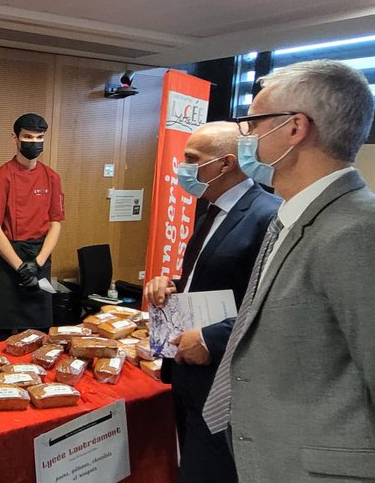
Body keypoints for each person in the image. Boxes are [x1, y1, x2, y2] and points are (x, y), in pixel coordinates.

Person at [202, 60, 375, 481]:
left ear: (295, 129)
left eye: (253, 122)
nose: (247, 135)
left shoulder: (365, 229)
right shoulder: (295, 217)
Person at [143, 122, 280, 483]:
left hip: (226, 376)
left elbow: (273, 303)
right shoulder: (209, 213)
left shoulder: (269, 216)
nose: (182, 167)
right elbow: (207, 278)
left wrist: (211, 339)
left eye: (192, 159)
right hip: (188, 371)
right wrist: (169, 285)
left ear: (226, 163)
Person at [0, 113, 64, 342]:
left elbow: (55, 224)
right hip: (7, 260)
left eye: (39, 137)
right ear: (15, 138)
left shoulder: (52, 177)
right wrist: (21, 267)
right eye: (28, 137)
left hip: (39, 258)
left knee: (38, 335)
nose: (33, 142)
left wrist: (38, 263)